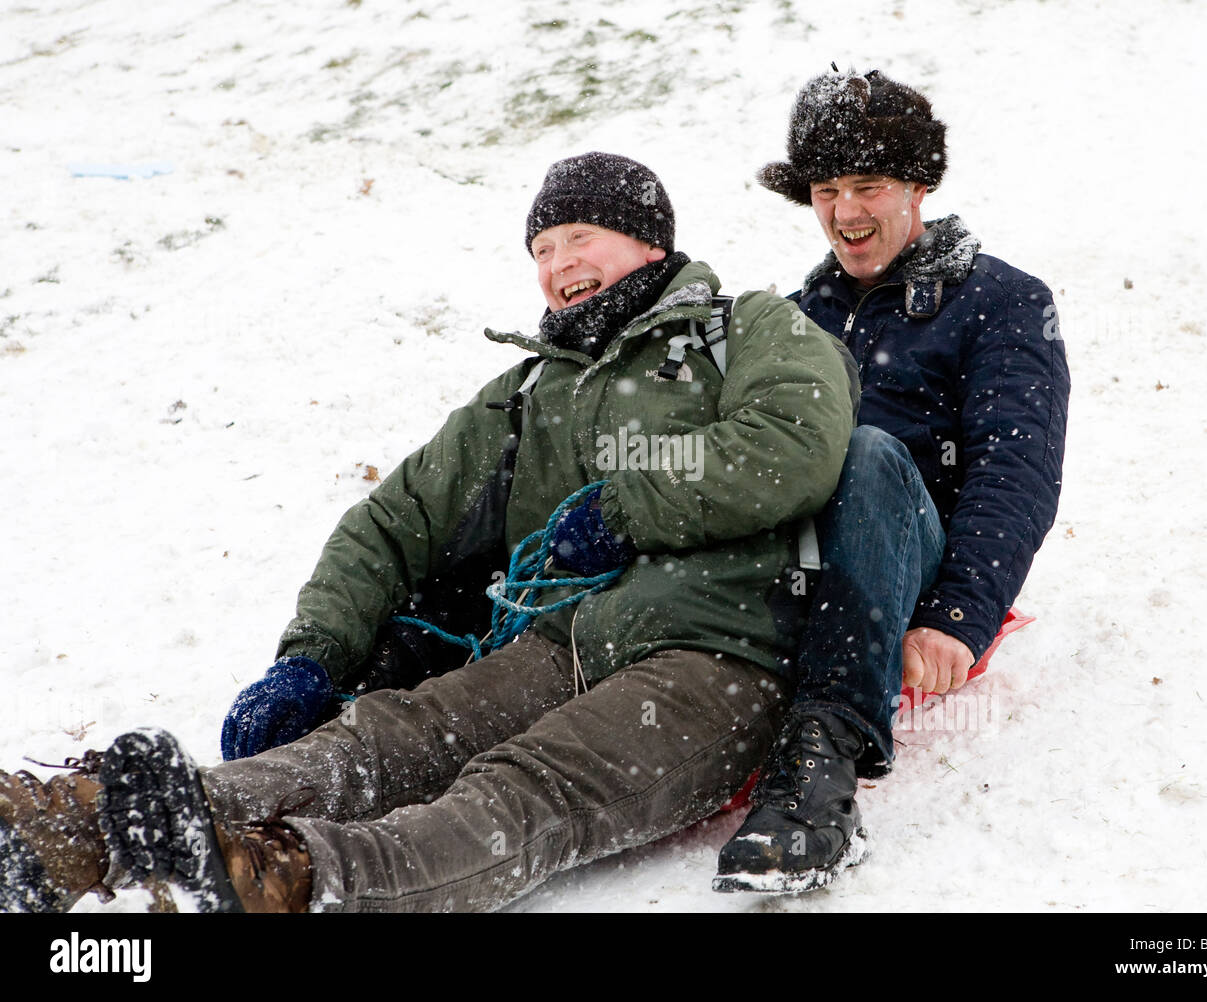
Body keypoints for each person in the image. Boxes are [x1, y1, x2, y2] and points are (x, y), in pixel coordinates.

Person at [0, 152, 855, 913]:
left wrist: (629, 508)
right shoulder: (528, 393)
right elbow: (393, 520)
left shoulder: (743, 329)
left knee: (523, 789)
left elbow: (796, 446)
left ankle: (284, 880)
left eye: (580, 237)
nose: (559, 266)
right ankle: (102, 823)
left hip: (722, 651)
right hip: (564, 640)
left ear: (649, 244)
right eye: (542, 251)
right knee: (387, 735)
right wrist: (312, 654)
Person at [713, 69, 1070, 893]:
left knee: (868, 452)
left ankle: (821, 772)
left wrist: (957, 617)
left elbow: (1017, 469)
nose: (844, 212)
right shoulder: (801, 312)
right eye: (826, 189)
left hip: (908, 560)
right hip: (796, 559)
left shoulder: (1002, 301)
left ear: (919, 185)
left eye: (867, 185)